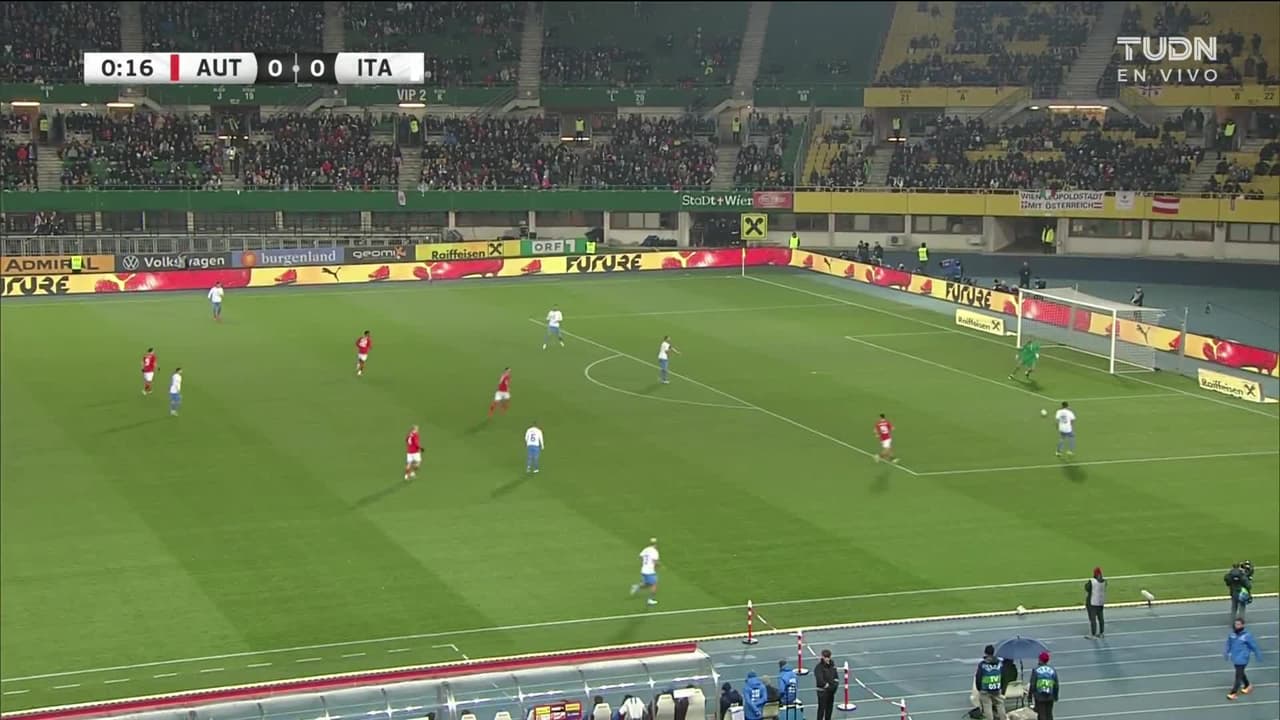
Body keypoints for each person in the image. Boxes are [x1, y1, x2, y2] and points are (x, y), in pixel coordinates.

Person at [1225, 617, 1262, 701]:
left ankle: (1233, 693)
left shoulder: (1247, 635)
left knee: (1238, 676)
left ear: (1242, 625)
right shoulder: (1232, 635)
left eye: (1238, 624)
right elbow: (1228, 644)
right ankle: (1248, 685)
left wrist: (1258, 655)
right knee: (1241, 673)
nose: (1236, 626)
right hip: (1235, 658)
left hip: (1243, 658)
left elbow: (1254, 646)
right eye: (1235, 624)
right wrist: (1226, 652)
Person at [974, 645, 1005, 720]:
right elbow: (1003, 676)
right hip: (996, 688)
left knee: (987, 706)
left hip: (985, 689)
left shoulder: (983, 664)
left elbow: (978, 677)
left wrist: (979, 688)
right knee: (1000, 704)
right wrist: (1001, 687)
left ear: (985, 653)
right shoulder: (999, 663)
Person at [630, 538, 660, 605]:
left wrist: (644, 563)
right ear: (655, 544)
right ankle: (650, 600)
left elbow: (640, 556)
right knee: (654, 584)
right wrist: (658, 566)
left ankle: (636, 587)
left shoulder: (646, 549)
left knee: (648, 584)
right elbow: (655, 562)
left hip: (643, 570)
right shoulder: (655, 551)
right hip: (650, 571)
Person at [1030, 651, 1059, 720]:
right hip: (1050, 695)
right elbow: (1056, 684)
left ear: (1040, 660)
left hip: (1039, 696)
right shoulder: (1052, 670)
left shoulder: (1036, 670)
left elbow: (1033, 684)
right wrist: (1055, 695)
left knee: (1041, 714)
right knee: (1049, 714)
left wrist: (1030, 696)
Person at [814, 650, 838, 720]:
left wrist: (834, 686)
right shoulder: (819, 667)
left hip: (831, 692)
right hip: (822, 692)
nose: (827, 659)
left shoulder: (832, 666)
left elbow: (836, 678)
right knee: (821, 709)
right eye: (825, 657)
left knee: (829, 709)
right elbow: (820, 680)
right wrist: (828, 686)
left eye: (828, 657)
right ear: (822, 657)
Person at [1084, 566, 1106, 638]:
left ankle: (1093, 634)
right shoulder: (1104, 581)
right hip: (1100, 602)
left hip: (1092, 602)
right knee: (1101, 618)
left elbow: (1087, 588)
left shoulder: (1092, 581)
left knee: (1093, 619)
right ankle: (1101, 633)